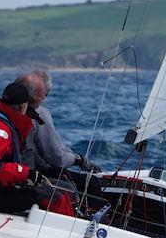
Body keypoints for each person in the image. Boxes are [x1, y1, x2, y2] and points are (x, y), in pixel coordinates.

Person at [0, 81, 74, 216]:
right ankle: (68, 233)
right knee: (54, 197)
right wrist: (27, 173)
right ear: (23, 106)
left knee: (58, 190)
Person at [16, 70, 104, 208]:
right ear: (37, 94)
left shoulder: (10, 115)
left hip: (22, 174)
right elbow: (58, 158)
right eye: (44, 94)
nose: (44, 98)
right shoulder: (40, 114)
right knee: (92, 183)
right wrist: (80, 160)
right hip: (31, 176)